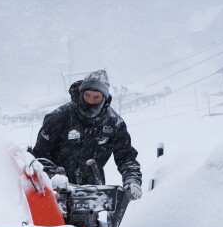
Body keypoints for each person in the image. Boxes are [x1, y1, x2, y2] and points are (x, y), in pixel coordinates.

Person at [32, 70, 143, 200]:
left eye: (96, 97)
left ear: (104, 98)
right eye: (87, 95)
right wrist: (53, 178)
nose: (91, 101)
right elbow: (40, 154)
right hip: (54, 190)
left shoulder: (114, 124)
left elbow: (126, 157)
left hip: (92, 192)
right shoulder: (59, 117)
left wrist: (132, 179)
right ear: (81, 94)